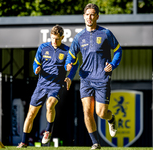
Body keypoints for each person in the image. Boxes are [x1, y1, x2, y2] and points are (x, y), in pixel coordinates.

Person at [65, 3, 122, 149]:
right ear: (83, 16)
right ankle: (95, 143)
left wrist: (113, 64)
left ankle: (111, 118)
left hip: (102, 78)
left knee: (101, 113)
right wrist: (69, 65)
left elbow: (118, 50)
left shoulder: (106, 33)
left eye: (92, 14)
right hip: (86, 78)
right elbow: (71, 56)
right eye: (87, 14)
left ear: (97, 16)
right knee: (87, 111)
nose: (89, 17)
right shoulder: (79, 37)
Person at [17, 25, 78, 148]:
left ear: (62, 37)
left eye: (57, 39)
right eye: (52, 38)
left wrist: (70, 76)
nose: (54, 41)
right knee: (31, 114)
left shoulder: (67, 50)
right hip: (41, 85)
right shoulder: (43, 48)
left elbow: (74, 64)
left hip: (56, 85)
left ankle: (48, 131)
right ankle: (23, 142)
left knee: (50, 105)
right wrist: (36, 69)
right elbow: (36, 63)